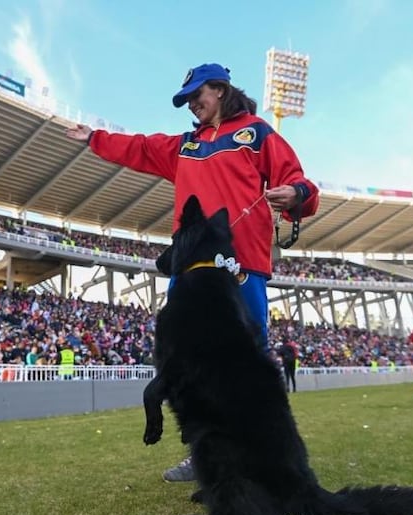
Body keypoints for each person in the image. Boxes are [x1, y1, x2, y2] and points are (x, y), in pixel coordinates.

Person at [65, 63, 320, 482]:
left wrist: (294, 194)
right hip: (191, 268)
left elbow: (300, 184)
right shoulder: (185, 146)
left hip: (244, 265)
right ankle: (205, 454)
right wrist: (95, 138)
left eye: (197, 94)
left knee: (245, 362)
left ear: (219, 90)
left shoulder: (257, 132)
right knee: (188, 360)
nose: (192, 104)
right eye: (186, 99)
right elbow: (141, 148)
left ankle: (261, 456)